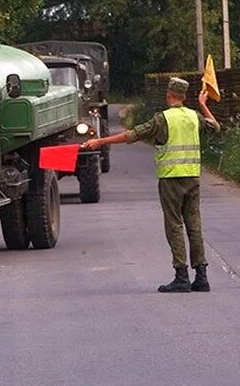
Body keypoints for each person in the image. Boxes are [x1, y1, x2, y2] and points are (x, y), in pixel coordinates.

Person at [82, 77, 220, 293]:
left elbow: (131, 135)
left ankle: (181, 276)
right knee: (194, 226)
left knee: (174, 226)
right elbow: (215, 127)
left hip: (171, 180)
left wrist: (99, 142)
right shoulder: (194, 116)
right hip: (193, 178)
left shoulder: (162, 119)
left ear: (168, 95)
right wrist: (203, 104)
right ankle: (201, 277)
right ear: (183, 97)